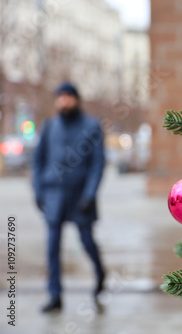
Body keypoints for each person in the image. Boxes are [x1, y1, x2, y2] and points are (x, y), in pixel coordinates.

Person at [33, 82, 106, 312]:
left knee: (86, 241)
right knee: (52, 246)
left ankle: (100, 274)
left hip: (80, 196)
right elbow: (38, 160)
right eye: (60, 97)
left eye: (68, 97)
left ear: (76, 99)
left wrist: (90, 195)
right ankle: (55, 295)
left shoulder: (92, 126)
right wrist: (38, 191)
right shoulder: (50, 126)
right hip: (54, 194)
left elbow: (97, 164)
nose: (63, 101)